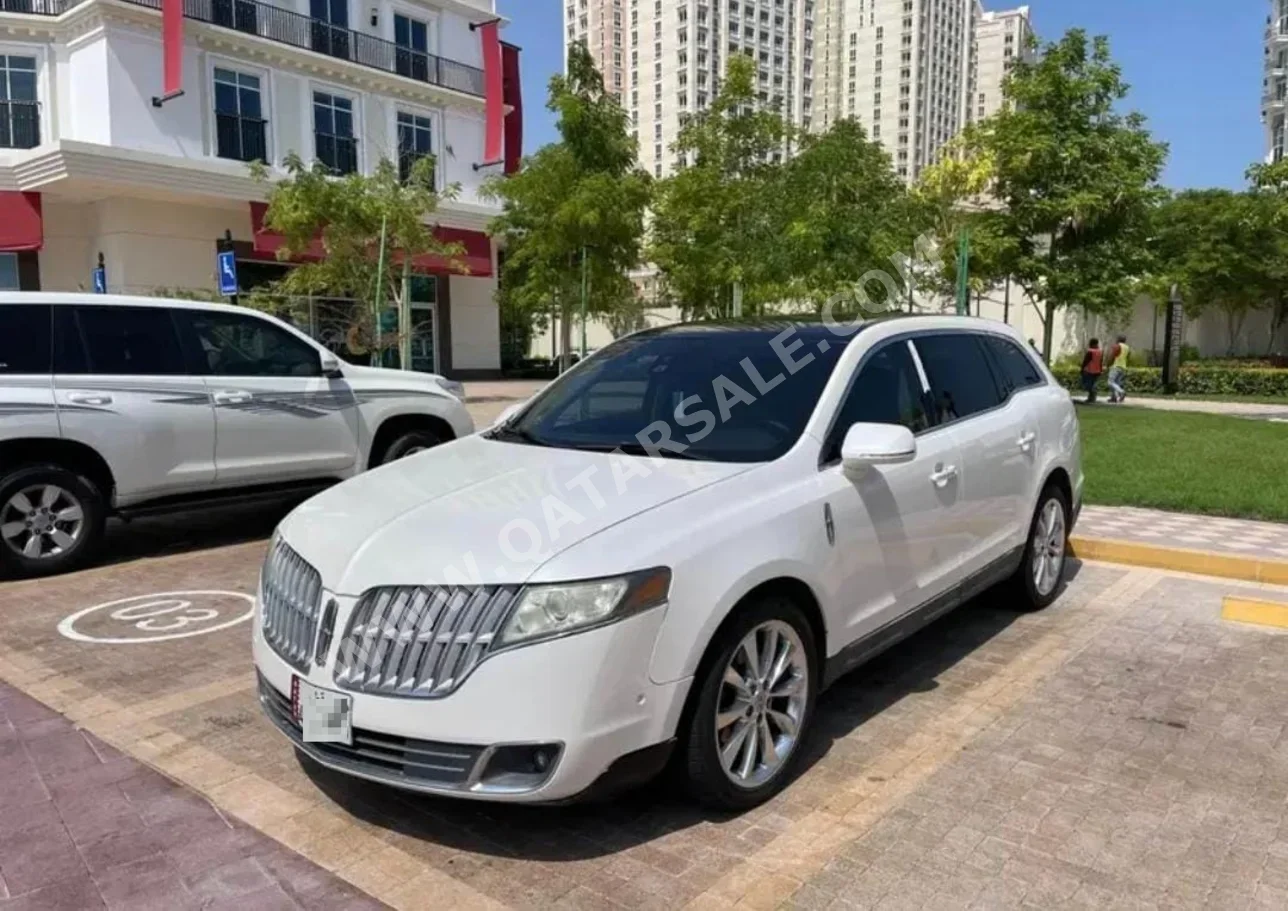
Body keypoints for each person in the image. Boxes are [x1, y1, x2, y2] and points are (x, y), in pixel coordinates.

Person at [1107, 334, 1131, 404]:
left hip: (1116, 366)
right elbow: (1128, 357)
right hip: (1123, 367)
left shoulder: (1117, 346)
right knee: (1116, 383)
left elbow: (1112, 356)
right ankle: (1113, 397)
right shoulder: (1127, 347)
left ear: (1118, 339)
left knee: (1110, 382)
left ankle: (1121, 392)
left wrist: (1108, 364)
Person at [1080, 338, 1104, 404]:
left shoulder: (1090, 351)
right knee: (1092, 384)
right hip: (1097, 371)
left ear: (1092, 344)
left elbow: (1085, 361)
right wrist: (1101, 370)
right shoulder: (1100, 352)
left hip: (1089, 370)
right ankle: (1091, 398)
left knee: (1087, 385)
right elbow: (1100, 362)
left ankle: (1092, 396)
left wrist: (1082, 369)